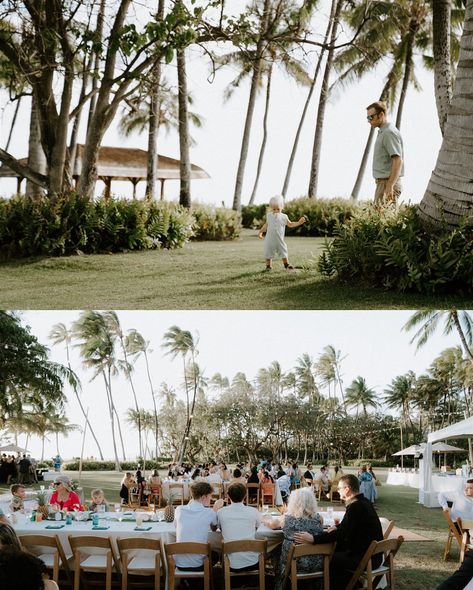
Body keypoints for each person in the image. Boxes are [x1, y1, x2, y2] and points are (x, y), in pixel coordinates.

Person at [294, 474, 383, 590]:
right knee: (337, 551)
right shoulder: (364, 502)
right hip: (375, 557)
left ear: (347, 489)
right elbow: (352, 525)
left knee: (328, 558)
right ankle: (352, 585)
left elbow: (341, 535)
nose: (338, 491)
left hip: (366, 559)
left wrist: (314, 539)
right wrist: (338, 527)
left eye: (340, 488)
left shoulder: (355, 506)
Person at [264, 487, 324, 590]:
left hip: (293, 564)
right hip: (316, 563)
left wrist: (265, 519)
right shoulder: (319, 518)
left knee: (275, 551)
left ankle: (280, 582)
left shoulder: (286, 518)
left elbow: (271, 525)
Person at [174, 481, 224, 570]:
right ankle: (200, 582)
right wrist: (215, 508)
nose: (211, 498)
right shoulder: (209, 513)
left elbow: (176, 526)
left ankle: (188, 582)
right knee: (216, 554)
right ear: (204, 497)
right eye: (210, 496)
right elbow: (214, 529)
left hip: (179, 563)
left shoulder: (179, 509)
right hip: (199, 564)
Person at [366, 100, 404, 206]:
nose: (368, 121)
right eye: (367, 118)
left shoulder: (389, 132)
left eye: (371, 117)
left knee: (381, 220)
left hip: (387, 183)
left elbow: (397, 160)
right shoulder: (383, 132)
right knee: (379, 219)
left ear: (381, 115)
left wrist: (390, 186)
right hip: (383, 183)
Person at [217, 483, 262, 571]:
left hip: (231, 562)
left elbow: (218, 528)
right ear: (245, 496)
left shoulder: (221, 512)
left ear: (228, 496)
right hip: (253, 561)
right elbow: (257, 527)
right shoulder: (253, 511)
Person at [258, 195, 306, 271]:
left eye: (278, 209)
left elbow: (290, 224)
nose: (276, 211)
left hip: (279, 239)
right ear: (271, 208)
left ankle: (286, 265)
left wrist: (299, 222)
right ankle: (268, 266)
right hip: (269, 239)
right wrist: (261, 232)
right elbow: (266, 225)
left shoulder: (284, 216)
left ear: (282, 207)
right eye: (274, 209)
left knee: (283, 251)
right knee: (268, 251)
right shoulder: (269, 216)